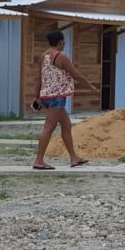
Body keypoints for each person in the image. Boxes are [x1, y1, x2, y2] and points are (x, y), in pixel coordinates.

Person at [31, 30, 93, 170]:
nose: (64, 43)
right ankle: (38, 160)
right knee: (49, 128)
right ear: (60, 42)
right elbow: (75, 74)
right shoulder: (61, 56)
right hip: (56, 97)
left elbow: (39, 79)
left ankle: (74, 158)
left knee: (66, 125)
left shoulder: (43, 56)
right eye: (63, 41)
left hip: (47, 96)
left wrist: (37, 97)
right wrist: (90, 86)